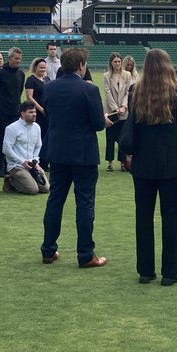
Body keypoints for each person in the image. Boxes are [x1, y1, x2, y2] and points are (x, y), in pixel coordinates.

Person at [121, 49, 177, 286]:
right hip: (171, 161)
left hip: (144, 161)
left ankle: (146, 270)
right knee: (171, 218)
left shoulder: (136, 91)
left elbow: (133, 125)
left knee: (144, 217)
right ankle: (170, 272)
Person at [39, 48, 107, 268]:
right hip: (83, 153)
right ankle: (86, 254)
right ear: (81, 65)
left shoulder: (49, 88)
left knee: (55, 200)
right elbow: (97, 124)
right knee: (85, 203)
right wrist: (103, 120)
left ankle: (48, 249)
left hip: (58, 152)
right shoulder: (89, 89)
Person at [0, 48, 25, 178]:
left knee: (15, 140)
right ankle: (0, 166)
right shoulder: (0, 74)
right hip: (2, 112)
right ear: (9, 58)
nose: (18, 61)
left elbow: (19, 91)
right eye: (16, 58)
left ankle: (12, 165)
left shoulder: (21, 74)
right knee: (2, 139)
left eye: (20, 58)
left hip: (15, 112)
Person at [2, 100, 48, 194]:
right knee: (33, 190)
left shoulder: (37, 127)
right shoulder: (12, 128)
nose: (34, 114)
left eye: (34, 112)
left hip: (32, 165)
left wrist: (35, 160)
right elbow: (6, 149)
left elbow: (38, 146)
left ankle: (28, 179)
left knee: (45, 189)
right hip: (17, 165)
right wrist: (22, 162)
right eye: (30, 112)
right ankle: (10, 180)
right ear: (22, 114)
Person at [102, 53, 130, 172]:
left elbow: (129, 91)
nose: (117, 64)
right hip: (111, 111)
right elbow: (107, 92)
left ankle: (123, 163)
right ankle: (110, 162)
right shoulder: (106, 76)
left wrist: (123, 106)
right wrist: (115, 108)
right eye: (115, 62)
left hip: (124, 112)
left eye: (119, 61)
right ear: (111, 63)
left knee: (122, 138)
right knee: (110, 138)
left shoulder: (127, 75)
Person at [24, 58, 49, 150]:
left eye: (44, 68)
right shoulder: (31, 80)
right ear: (35, 67)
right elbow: (30, 97)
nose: (43, 69)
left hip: (47, 112)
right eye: (41, 68)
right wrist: (41, 109)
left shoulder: (47, 79)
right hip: (37, 113)